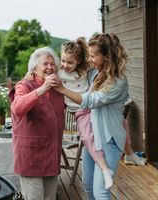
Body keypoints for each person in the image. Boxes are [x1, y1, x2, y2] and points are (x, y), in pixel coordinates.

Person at [54, 33, 128, 199]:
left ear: (106, 57)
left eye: (93, 56)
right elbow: (77, 65)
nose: (90, 59)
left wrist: (63, 90)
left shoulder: (118, 81)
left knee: (101, 191)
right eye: (89, 55)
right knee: (87, 184)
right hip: (94, 136)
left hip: (108, 139)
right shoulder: (96, 72)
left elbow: (90, 101)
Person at [9, 47, 65, 200]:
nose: (50, 67)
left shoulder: (57, 87)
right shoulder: (24, 85)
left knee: (50, 198)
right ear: (34, 67)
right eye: (45, 64)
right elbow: (17, 108)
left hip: (51, 152)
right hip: (31, 155)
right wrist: (43, 88)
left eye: (52, 64)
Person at [58, 37, 114, 189]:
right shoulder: (58, 71)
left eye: (70, 62)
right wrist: (30, 73)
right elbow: (42, 71)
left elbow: (101, 61)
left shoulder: (85, 69)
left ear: (78, 61)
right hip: (81, 113)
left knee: (118, 122)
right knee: (88, 137)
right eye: (63, 61)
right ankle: (105, 169)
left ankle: (129, 153)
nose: (65, 65)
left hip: (93, 106)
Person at [109, 33, 146, 166]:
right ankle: (129, 153)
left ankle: (129, 153)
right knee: (121, 123)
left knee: (122, 122)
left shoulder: (118, 75)